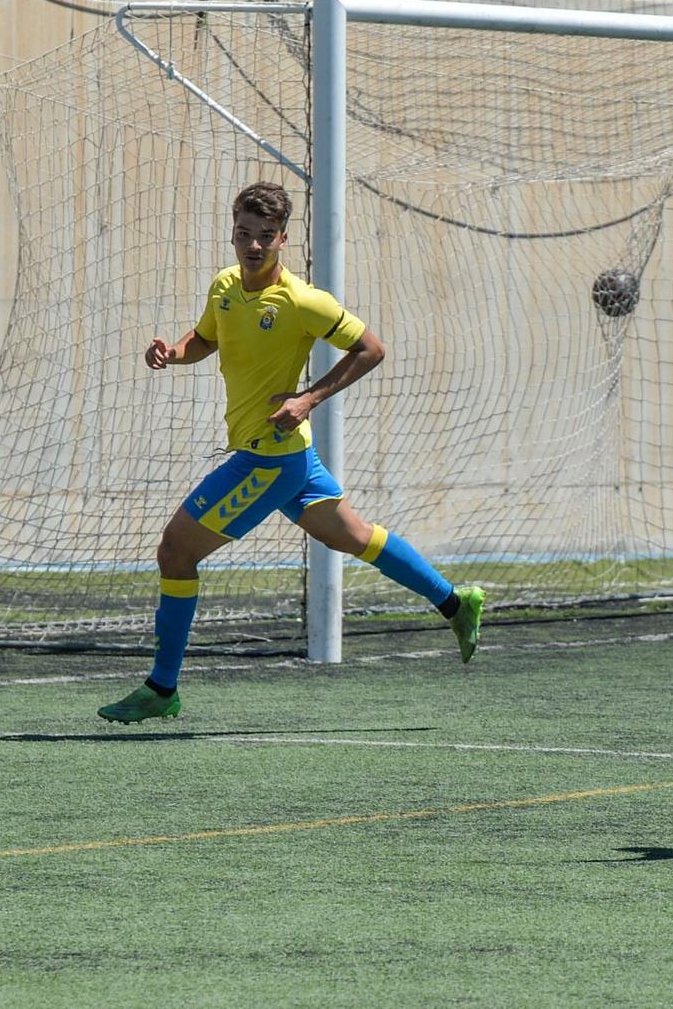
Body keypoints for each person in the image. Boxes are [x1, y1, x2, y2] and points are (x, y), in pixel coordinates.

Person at [96, 182, 484, 723]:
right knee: (355, 536)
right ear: (233, 233)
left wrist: (310, 397)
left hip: (268, 459)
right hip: (291, 457)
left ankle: (162, 689)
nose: (253, 246)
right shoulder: (225, 287)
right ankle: (454, 602)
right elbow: (206, 339)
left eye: (264, 237)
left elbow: (371, 349)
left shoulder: (303, 300)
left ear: (283, 239)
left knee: (175, 552)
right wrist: (173, 352)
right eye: (243, 235)